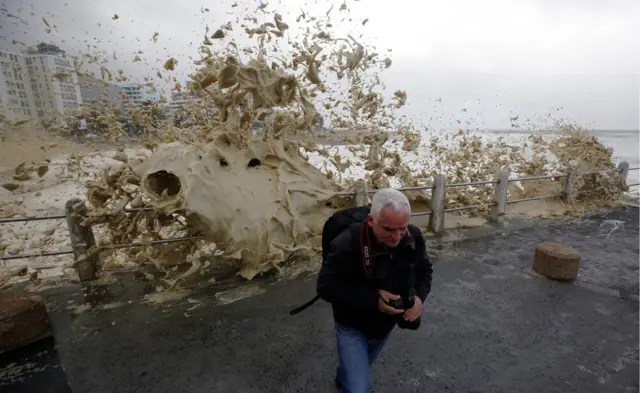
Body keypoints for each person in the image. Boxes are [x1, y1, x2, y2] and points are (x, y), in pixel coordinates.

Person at [316, 188, 433, 393]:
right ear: (371, 221)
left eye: (402, 228)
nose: (396, 237)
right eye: (388, 230)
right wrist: (374, 299)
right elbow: (326, 287)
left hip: (384, 325)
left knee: (357, 369)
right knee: (358, 389)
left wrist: (419, 299)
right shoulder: (347, 243)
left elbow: (425, 272)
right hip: (351, 324)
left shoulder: (413, 237)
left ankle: (343, 376)